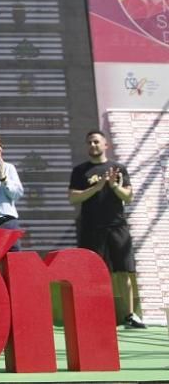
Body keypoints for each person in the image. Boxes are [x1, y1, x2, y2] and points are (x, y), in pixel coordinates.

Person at [68, 130, 146, 329]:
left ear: (106, 145)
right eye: (89, 142)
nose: (92, 145)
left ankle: (130, 315)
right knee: (92, 273)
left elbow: (128, 197)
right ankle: (95, 314)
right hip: (91, 228)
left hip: (117, 226)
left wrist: (112, 186)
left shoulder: (118, 168)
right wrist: (96, 187)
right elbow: (73, 198)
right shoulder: (80, 171)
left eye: (96, 142)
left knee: (124, 271)